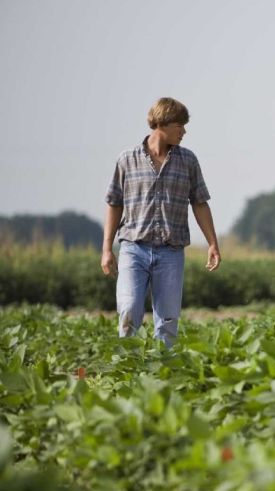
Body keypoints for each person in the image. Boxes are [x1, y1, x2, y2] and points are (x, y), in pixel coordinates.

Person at [100, 97, 221, 348]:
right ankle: (128, 369)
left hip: (171, 251)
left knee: (167, 321)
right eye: (180, 125)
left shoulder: (188, 161)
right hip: (133, 248)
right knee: (129, 310)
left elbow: (199, 203)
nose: (184, 131)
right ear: (162, 123)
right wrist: (106, 250)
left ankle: (164, 373)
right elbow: (114, 203)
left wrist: (212, 243)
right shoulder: (127, 160)